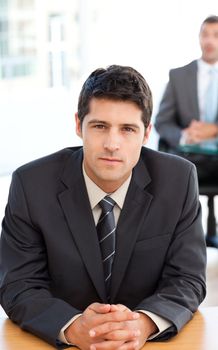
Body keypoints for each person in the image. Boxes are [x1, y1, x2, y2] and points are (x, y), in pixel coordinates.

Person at [0, 65, 206, 350]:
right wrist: (72, 328)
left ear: (146, 134)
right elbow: (19, 284)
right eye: (99, 126)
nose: (112, 144)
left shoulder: (178, 181)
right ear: (78, 125)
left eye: (127, 129)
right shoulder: (31, 185)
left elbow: (187, 278)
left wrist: (143, 324)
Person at [155, 15, 218, 247]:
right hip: (189, 160)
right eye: (205, 34)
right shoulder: (178, 76)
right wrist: (185, 136)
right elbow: (162, 121)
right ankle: (182, 245)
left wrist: (213, 130)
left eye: (216, 35)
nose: (209, 41)